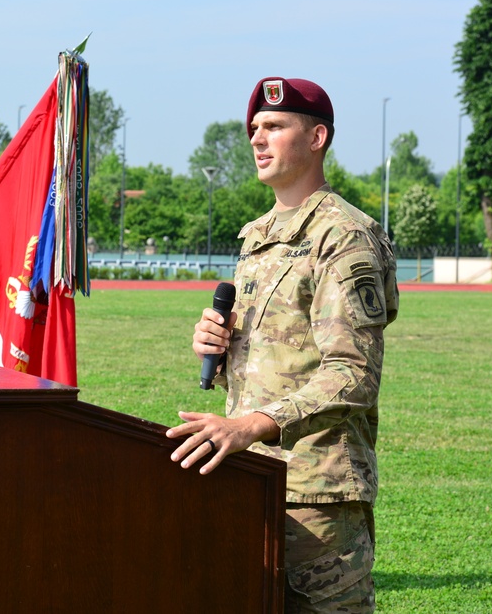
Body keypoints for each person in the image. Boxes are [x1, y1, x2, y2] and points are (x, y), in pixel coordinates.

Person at [165, 77, 399, 613]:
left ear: (316, 138)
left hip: (317, 495)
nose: (257, 139)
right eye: (254, 129)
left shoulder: (344, 237)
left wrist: (251, 426)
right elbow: (280, 356)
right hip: (250, 479)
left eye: (274, 126)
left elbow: (352, 375)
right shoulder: (259, 235)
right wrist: (220, 353)